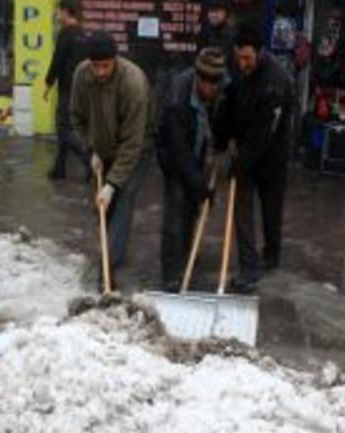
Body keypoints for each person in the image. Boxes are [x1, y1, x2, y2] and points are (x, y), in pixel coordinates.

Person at [70, 31, 153, 290]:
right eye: (96, 66)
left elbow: (132, 143)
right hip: (102, 147)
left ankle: (107, 274)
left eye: (106, 65)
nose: (101, 72)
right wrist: (89, 149)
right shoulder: (82, 75)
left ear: (115, 60)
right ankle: (110, 252)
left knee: (122, 199)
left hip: (137, 147)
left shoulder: (133, 83)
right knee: (103, 205)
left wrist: (112, 183)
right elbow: (77, 116)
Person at [221, 25, 295, 293]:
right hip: (245, 146)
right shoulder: (237, 67)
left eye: (248, 59)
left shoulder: (275, 81)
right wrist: (226, 139)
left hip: (272, 154)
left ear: (260, 53)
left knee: (270, 210)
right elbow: (230, 104)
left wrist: (239, 165)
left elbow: (265, 134)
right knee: (241, 208)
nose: (243, 64)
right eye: (239, 58)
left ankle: (271, 255)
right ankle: (249, 267)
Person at [157, 48, 228, 292]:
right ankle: (171, 273)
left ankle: (187, 254)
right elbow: (179, 149)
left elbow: (224, 121)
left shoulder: (223, 90)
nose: (210, 88)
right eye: (205, 82)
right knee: (176, 213)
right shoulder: (178, 97)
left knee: (192, 208)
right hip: (174, 154)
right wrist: (199, 185)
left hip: (199, 151)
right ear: (197, 76)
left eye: (214, 83)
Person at [44, 0, 91, 181]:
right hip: (81, 88)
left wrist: (48, 83)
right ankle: (59, 169)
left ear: (66, 12)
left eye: (59, 11)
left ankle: (88, 159)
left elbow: (58, 60)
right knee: (68, 127)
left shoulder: (66, 33)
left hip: (67, 89)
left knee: (63, 129)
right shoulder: (83, 33)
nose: (57, 15)